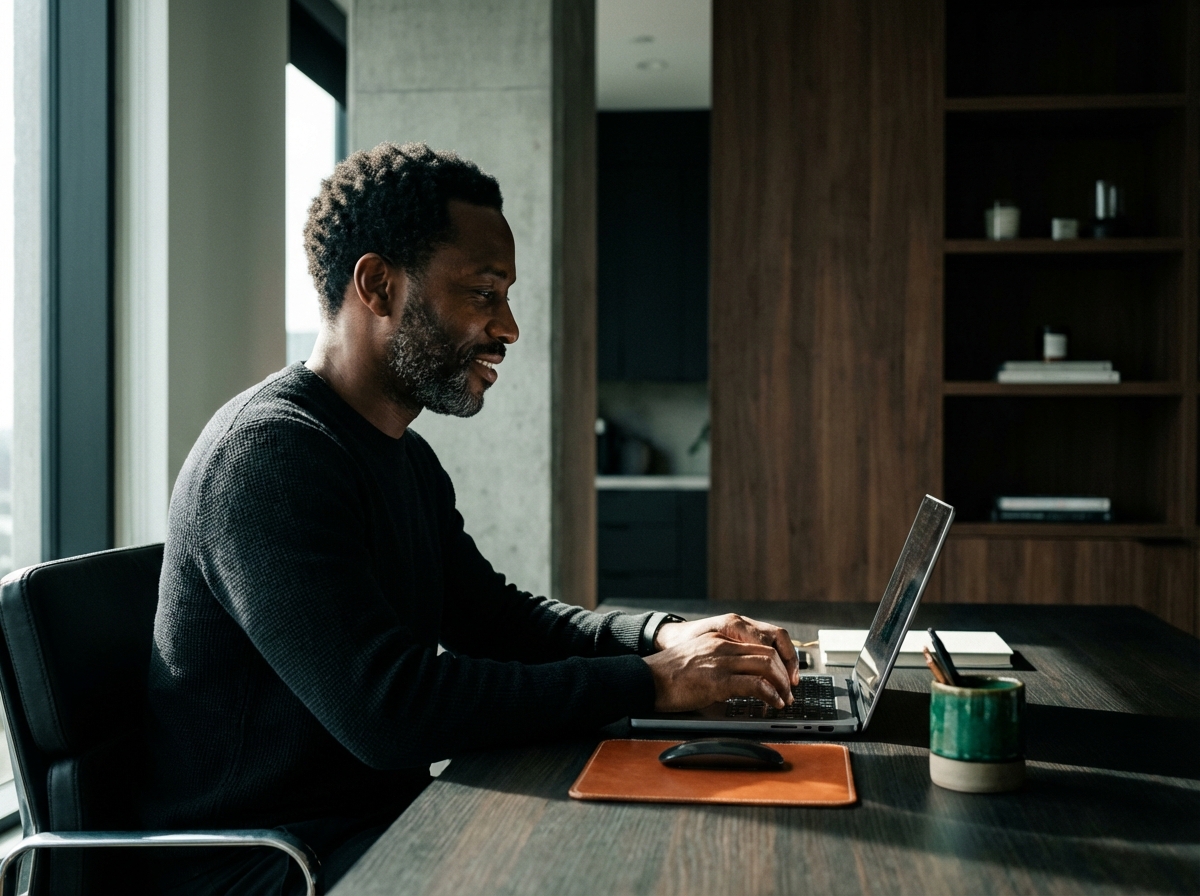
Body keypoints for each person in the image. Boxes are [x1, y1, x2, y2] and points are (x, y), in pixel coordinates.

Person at [142, 142, 798, 894]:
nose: (509, 327)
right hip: (270, 865)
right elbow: (390, 710)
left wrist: (663, 637)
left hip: (376, 831)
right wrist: (650, 683)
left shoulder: (402, 458)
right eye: (485, 293)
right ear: (378, 284)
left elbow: (502, 622)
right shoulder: (269, 459)